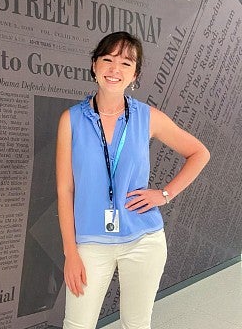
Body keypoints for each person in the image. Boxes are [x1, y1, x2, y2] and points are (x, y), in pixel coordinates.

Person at [56, 32, 210, 329]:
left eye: (126, 63)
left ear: (135, 74)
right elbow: (65, 190)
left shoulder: (148, 117)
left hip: (144, 240)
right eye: (108, 60)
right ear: (94, 65)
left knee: (136, 324)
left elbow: (199, 153)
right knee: (77, 324)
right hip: (90, 242)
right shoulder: (71, 120)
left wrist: (164, 194)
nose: (115, 69)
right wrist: (70, 253)